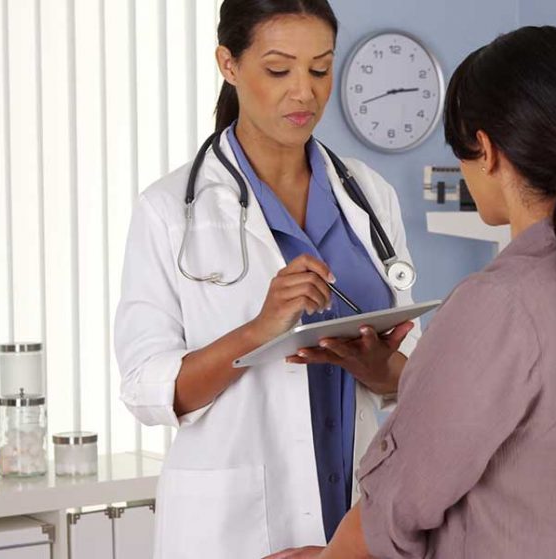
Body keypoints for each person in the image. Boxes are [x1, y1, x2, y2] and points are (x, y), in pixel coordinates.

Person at [271, 25, 556, 559]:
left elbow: (398, 506)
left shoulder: (500, 301)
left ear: (487, 150)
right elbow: (537, 434)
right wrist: (405, 378)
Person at [113, 1, 421, 557]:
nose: (304, 92)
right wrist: (258, 330)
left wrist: (382, 368)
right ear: (228, 65)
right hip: (238, 528)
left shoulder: (370, 197)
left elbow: (410, 380)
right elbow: (148, 390)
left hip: (359, 525)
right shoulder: (167, 211)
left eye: (320, 69)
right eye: (279, 70)